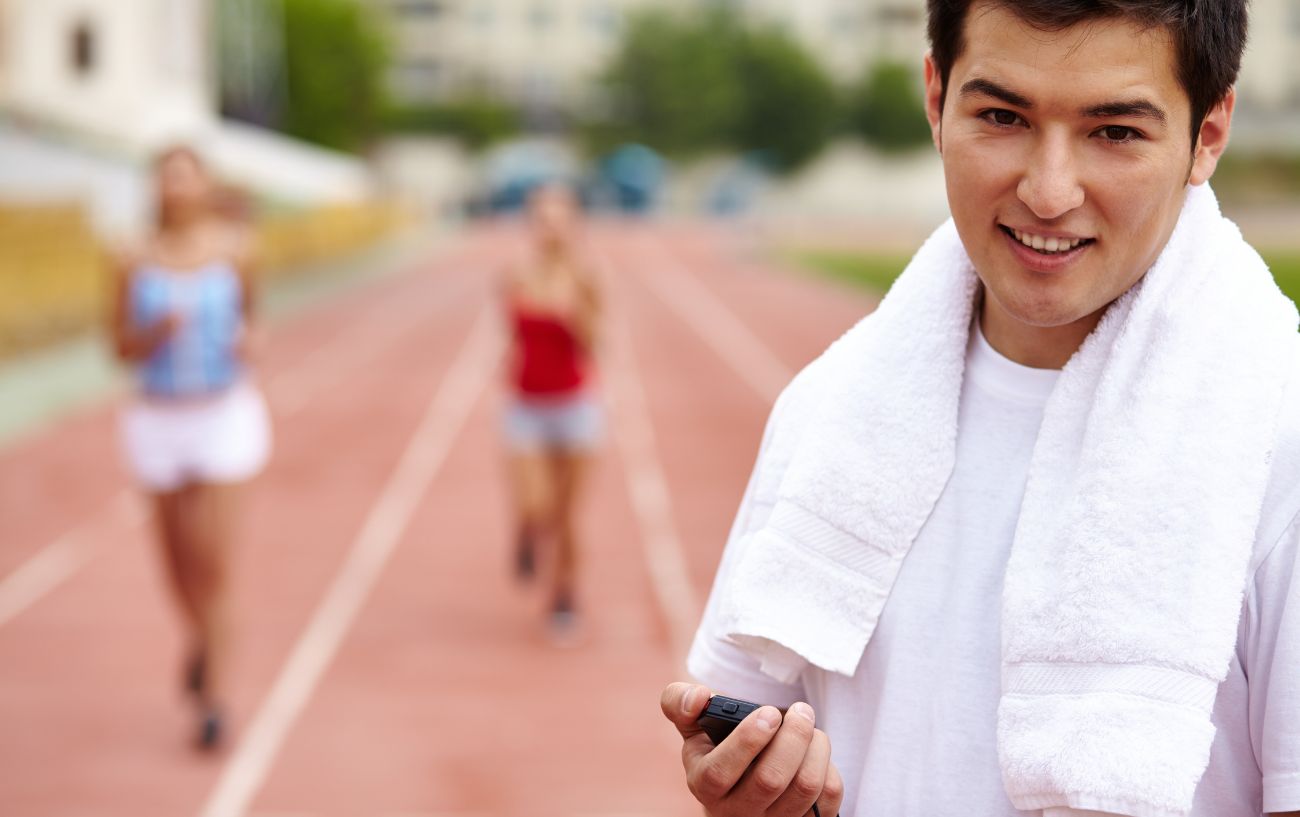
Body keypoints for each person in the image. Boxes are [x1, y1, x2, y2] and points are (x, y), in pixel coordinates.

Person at [660, 2, 1300, 816]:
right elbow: (743, 730)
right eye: (1002, 116)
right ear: (935, 99)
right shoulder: (829, 406)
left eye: (1115, 132)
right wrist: (747, 793)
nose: (1047, 190)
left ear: (1208, 134)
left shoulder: (1280, 438)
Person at [109, 145, 270, 750]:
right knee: (176, 563)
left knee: (215, 559)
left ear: (205, 185)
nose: (177, 188)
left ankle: (217, 700)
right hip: (157, 418)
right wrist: (153, 334)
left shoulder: (237, 249)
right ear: (156, 188)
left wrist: (252, 341)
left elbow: (253, 318)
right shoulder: (130, 257)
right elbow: (117, 346)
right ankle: (200, 637)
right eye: (167, 177)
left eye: (188, 176)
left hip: (223, 413)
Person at [500, 183, 601, 643]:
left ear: (574, 226)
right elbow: (512, 333)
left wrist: (573, 312)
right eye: (544, 221)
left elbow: (598, 344)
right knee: (536, 504)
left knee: (567, 513)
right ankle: (524, 531)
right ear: (533, 225)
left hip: (575, 405)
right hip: (526, 405)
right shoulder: (515, 272)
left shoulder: (587, 275)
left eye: (561, 221)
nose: (553, 231)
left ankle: (564, 595)